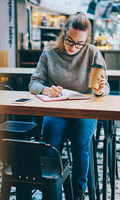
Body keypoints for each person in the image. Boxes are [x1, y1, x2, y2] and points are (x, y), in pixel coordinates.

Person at [29, 11, 110, 200]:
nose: (74, 47)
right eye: (70, 41)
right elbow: (33, 82)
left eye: (80, 43)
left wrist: (98, 90)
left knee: (81, 144)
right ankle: (51, 188)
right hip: (57, 108)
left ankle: (77, 192)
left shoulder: (93, 53)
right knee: (49, 141)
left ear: (87, 40)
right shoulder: (49, 54)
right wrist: (46, 90)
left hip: (84, 110)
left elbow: (105, 87)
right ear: (64, 33)